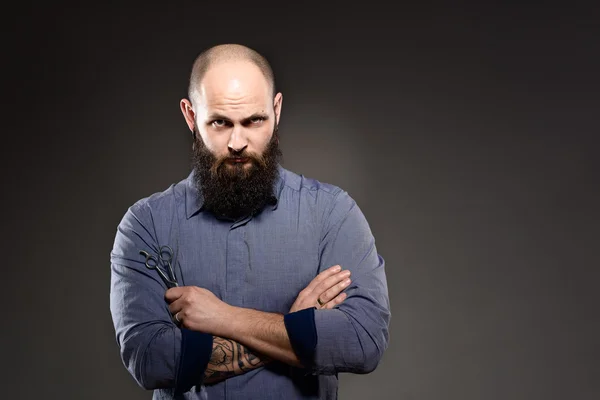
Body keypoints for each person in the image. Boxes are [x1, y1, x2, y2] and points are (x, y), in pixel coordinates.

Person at [109, 43, 391, 400]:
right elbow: (150, 360)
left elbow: (362, 342)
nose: (238, 142)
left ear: (276, 109)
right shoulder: (145, 225)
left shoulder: (332, 213)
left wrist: (224, 318)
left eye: (254, 121)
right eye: (220, 123)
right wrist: (295, 326)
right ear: (190, 116)